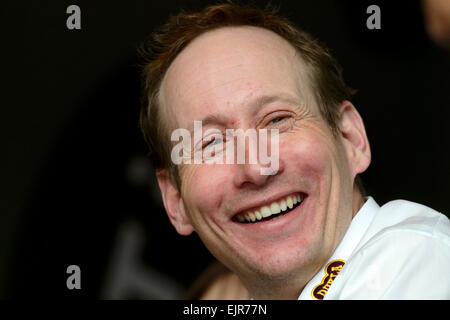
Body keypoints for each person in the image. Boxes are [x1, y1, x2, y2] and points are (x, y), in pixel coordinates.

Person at [138, 3, 450, 299]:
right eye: (211, 143)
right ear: (175, 201)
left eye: (277, 120)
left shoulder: (411, 262)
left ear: (350, 138)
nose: (257, 168)